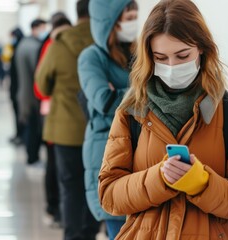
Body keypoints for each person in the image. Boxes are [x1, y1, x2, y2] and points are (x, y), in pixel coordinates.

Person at [98, 0, 228, 239]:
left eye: (182, 55)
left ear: (202, 48)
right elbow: (109, 195)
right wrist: (158, 178)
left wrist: (201, 183)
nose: (171, 66)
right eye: (160, 58)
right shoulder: (132, 111)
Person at [35, 0, 101, 239]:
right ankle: (90, 232)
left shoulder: (59, 43)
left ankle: (72, 234)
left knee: (70, 187)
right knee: (95, 184)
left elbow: (42, 84)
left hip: (65, 129)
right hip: (99, 127)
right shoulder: (105, 42)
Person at [77, 0, 138, 239]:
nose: (133, 23)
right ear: (109, 21)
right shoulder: (91, 57)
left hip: (139, 148)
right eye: (128, 18)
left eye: (135, 17)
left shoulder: (139, 51)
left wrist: (122, 93)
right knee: (118, 226)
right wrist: (145, 92)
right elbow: (104, 100)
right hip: (106, 149)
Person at [35, 12, 72, 228]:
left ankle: (58, 209)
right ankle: (54, 208)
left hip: (60, 117)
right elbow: (40, 87)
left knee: (60, 167)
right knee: (57, 166)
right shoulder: (52, 47)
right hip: (56, 116)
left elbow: (40, 86)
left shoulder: (57, 46)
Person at [16, 19, 47, 164]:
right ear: (35, 28)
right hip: (31, 94)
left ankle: (32, 156)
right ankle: (32, 158)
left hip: (25, 92)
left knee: (30, 125)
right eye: (43, 28)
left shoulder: (24, 44)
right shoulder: (32, 47)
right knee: (33, 127)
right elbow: (40, 72)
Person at [7, 28, 24, 145]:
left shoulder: (19, 50)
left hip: (19, 88)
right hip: (16, 87)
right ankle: (18, 134)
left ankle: (20, 135)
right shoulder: (15, 49)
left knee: (20, 113)